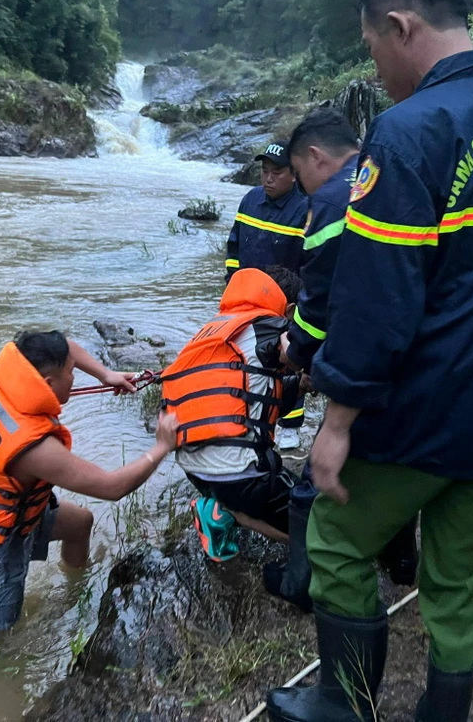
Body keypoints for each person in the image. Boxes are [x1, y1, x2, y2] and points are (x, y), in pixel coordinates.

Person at [266, 0, 473, 721]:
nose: (375, 65)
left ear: (401, 27)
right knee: (463, 566)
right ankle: (443, 713)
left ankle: (343, 704)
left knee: (337, 542)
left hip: (431, 408)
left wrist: (337, 422)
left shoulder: (410, 131)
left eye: (371, 44)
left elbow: (377, 299)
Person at [262, 109, 419, 613]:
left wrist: (293, 350)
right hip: (417, 357)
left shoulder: (332, 200)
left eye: (298, 173)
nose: (302, 187)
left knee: (315, 483)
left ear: (315, 157)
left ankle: (301, 582)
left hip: (367, 365)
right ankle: (402, 561)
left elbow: (322, 299)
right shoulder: (395, 176)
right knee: (397, 465)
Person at [0, 330, 179, 635]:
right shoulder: (33, 449)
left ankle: (74, 592)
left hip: (13, 513)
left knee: (79, 523)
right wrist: (161, 447)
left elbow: (66, 347)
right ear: (48, 383)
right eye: (71, 373)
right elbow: (112, 488)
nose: (74, 377)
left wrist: (105, 374)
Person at [163, 265, 305, 560]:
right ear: (290, 309)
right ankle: (226, 511)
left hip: (194, 470)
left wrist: (299, 385)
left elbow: (249, 397)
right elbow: (307, 355)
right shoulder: (274, 326)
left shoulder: (215, 328)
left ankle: (219, 506)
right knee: (320, 529)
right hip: (240, 477)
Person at [225, 142, 309, 450]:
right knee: (246, 356)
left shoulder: (305, 209)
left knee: (286, 360)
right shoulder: (250, 200)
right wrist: (230, 283)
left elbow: (309, 260)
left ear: (294, 174)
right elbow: (234, 246)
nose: (268, 178)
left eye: (276, 172)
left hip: (285, 302)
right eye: (264, 171)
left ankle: (290, 424)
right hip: (245, 297)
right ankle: (251, 413)